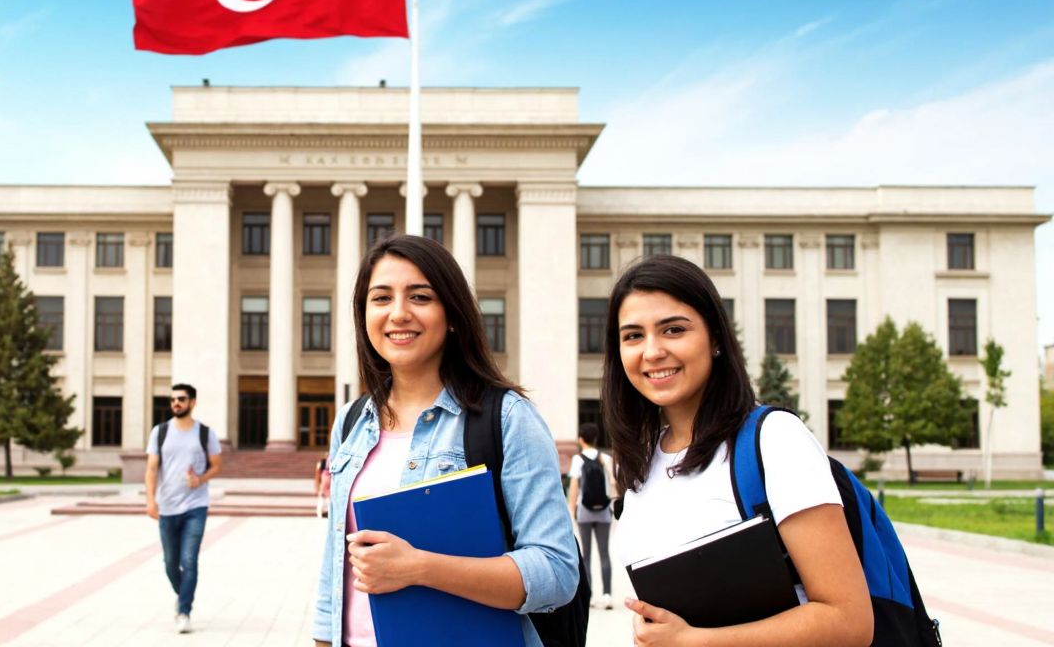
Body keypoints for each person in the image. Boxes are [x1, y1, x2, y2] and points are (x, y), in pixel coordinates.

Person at [313, 235, 578, 647]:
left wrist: (419, 567)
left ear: (452, 314)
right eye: (381, 299)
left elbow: (557, 572)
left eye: (420, 297)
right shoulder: (351, 422)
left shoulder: (506, 417)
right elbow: (337, 565)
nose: (398, 314)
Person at [604, 255, 873, 646]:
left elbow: (849, 622)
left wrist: (693, 641)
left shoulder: (775, 440)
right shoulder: (640, 462)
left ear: (715, 338)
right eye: (633, 336)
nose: (652, 351)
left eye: (673, 330)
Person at [145, 383, 223, 635]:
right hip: (167, 507)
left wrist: (199, 479)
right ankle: (183, 596)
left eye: (181, 399)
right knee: (170, 563)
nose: (176, 403)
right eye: (173, 399)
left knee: (189, 560)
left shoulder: (205, 433)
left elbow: (216, 465)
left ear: (192, 402)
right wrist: (150, 500)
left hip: (195, 506)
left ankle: (184, 611)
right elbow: (152, 468)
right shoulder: (160, 432)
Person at [566, 423, 614, 610]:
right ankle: (607, 595)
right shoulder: (606, 458)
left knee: (586, 556)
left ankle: (590, 596)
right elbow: (613, 482)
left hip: (584, 511)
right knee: (604, 553)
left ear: (580, 439)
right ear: (596, 439)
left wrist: (572, 510)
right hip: (603, 511)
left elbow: (574, 488)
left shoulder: (578, 460)